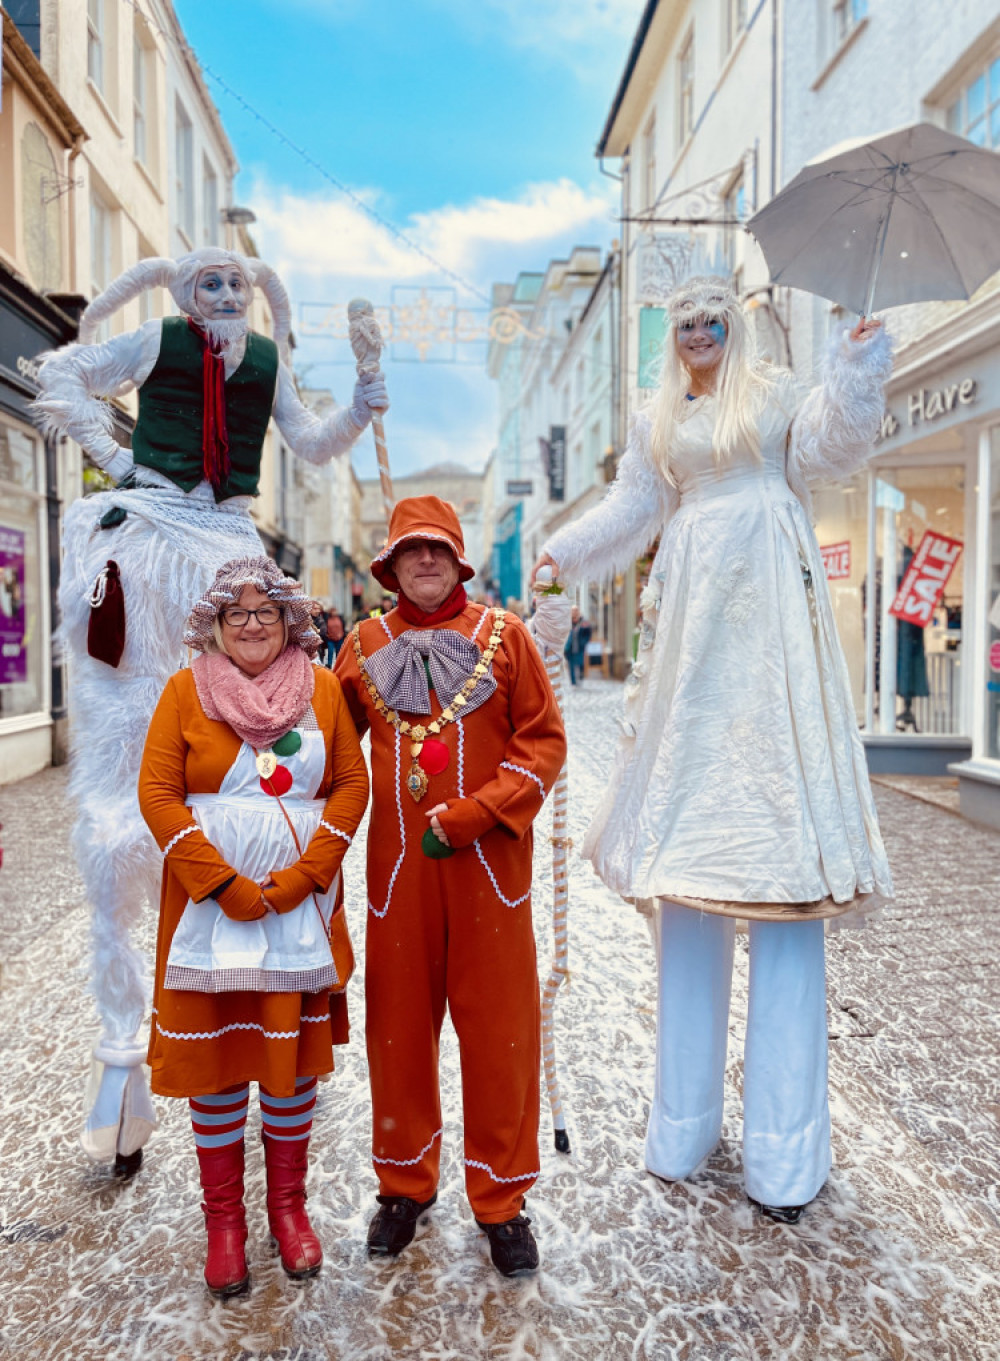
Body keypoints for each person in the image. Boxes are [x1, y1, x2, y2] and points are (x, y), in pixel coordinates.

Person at [531, 275, 894, 1224]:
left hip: (771, 622)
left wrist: (854, 364)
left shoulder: (773, 394)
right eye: (684, 321)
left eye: (712, 319)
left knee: (782, 895)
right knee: (687, 889)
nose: (698, 332)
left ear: (733, 326)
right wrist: (562, 552)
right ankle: (682, 1125)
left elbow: (832, 444)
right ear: (671, 334)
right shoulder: (658, 420)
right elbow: (629, 511)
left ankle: (784, 1152)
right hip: (693, 639)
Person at [30, 248, 387, 1167]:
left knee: (243, 771)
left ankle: (243, 1001)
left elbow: (309, 441)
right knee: (120, 801)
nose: (225, 296)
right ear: (184, 293)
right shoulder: (156, 339)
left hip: (225, 544)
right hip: (148, 544)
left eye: (237, 284)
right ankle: (123, 1056)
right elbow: (63, 371)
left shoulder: (265, 361)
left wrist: (364, 398)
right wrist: (114, 453)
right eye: (209, 285)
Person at [335, 496, 566, 1276]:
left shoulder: (506, 638)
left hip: (491, 873)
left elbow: (542, 745)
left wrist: (478, 812)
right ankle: (404, 1185)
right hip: (399, 877)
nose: (425, 561)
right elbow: (325, 749)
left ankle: (501, 1200)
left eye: (437, 549)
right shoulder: (366, 643)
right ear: (391, 565)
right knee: (396, 1029)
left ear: (459, 560)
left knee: (502, 1034)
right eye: (411, 551)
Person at [137, 556, 369, 1296]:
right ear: (213, 623)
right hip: (211, 915)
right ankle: (224, 1222)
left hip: (299, 907)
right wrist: (220, 883)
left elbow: (350, 784)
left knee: (289, 1059)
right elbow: (158, 790)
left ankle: (288, 1207)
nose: (250, 624)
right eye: (235, 613)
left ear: (290, 619)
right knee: (221, 1058)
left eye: (265, 610)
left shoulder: (323, 689)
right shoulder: (184, 690)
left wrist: (304, 875)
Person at [563, 605, 592, 686]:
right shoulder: (568, 622)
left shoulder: (584, 622)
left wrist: (584, 642)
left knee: (580, 662)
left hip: (579, 646)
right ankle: (573, 681)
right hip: (569, 647)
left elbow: (588, 634)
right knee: (571, 664)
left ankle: (580, 676)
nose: (574, 613)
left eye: (576, 611)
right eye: (573, 611)